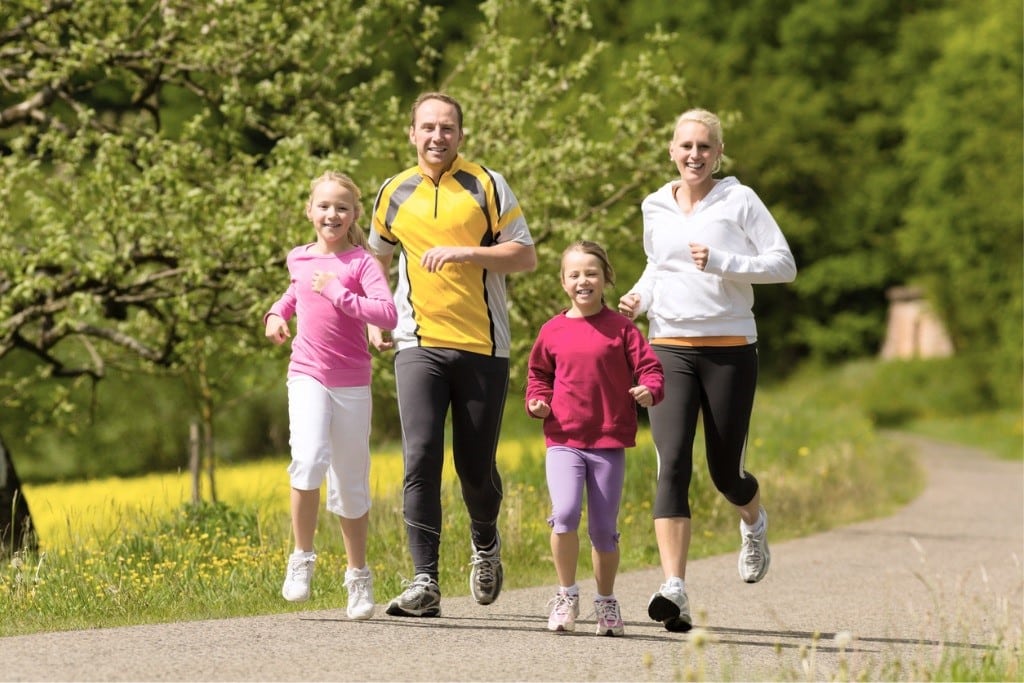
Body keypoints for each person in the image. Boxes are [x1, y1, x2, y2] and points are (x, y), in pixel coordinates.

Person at [617, 108, 797, 633]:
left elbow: (783, 264)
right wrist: (640, 296)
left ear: (719, 153)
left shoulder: (739, 200)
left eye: (705, 147)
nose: (694, 155)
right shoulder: (654, 204)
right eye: (686, 146)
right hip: (668, 345)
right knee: (671, 463)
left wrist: (724, 261)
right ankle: (674, 587)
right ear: (671, 150)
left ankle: (753, 520)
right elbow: (659, 264)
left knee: (725, 472)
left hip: (729, 347)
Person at [367, 92, 537, 617]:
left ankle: (484, 543)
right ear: (411, 133)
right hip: (418, 343)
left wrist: (468, 253)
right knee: (419, 457)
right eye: (428, 127)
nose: (437, 136)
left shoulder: (486, 184)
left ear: (460, 135)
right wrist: (377, 316)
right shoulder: (393, 191)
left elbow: (525, 255)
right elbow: (374, 257)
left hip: (483, 345)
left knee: (475, 468)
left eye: (447, 128)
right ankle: (425, 582)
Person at [264, 171, 397, 620]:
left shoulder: (361, 264)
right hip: (306, 372)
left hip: (352, 381)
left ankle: (358, 576)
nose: (332, 214)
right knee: (308, 457)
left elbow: (386, 312)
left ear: (354, 215)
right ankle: (302, 557)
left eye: (341, 207)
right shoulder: (298, 259)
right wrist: (275, 314)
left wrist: (340, 294)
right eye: (324, 206)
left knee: (350, 483)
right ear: (309, 211)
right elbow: (294, 292)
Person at [526, 240, 664, 636]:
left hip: (607, 441)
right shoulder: (552, 331)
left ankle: (606, 601)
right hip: (564, 438)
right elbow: (538, 376)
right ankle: (566, 594)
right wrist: (537, 401)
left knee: (604, 530)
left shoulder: (622, 329)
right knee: (565, 513)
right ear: (563, 282)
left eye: (592, 273)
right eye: (575, 274)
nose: (583, 280)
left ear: (606, 279)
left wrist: (649, 390)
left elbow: (650, 368)